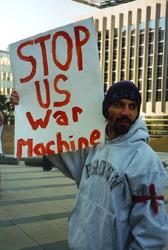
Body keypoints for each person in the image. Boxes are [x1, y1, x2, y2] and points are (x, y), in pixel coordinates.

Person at [11, 81, 168, 249]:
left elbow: (151, 232)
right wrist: (27, 105)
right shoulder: (94, 144)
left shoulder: (144, 159)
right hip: (80, 242)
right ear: (106, 109)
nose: (126, 112)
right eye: (119, 105)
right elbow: (57, 147)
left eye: (133, 107)